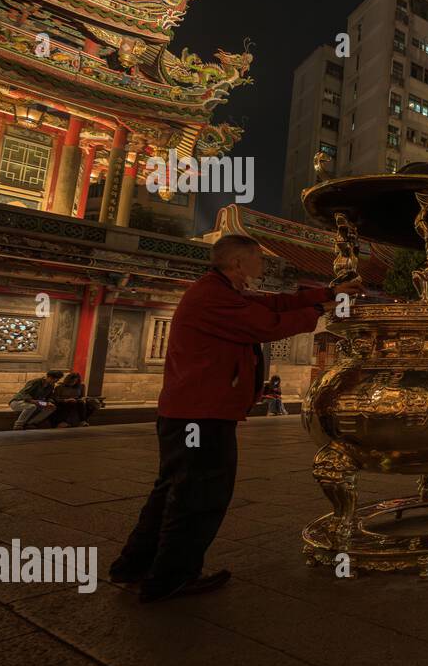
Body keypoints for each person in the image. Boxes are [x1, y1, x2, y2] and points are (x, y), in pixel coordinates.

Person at [109, 235, 358, 604]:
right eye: (259, 259)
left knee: (173, 491)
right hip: (200, 416)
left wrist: (327, 291)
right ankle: (172, 577)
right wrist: (323, 310)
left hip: (192, 412)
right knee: (199, 495)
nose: (263, 267)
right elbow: (267, 324)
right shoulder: (213, 297)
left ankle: (133, 566)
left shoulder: (220, 290)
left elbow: (273, 303)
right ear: (239, 263)